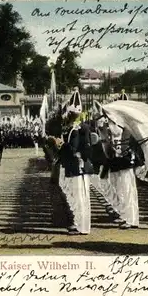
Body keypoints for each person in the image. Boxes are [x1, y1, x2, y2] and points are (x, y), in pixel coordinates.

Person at [58, 87, 94, 235]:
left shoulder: (80, 128)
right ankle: (80, 224)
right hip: (75, 166)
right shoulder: (73, 128)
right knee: (78, 197)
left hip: (79, 167)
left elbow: (80, 148)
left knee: (81, 198)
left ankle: (82, 226)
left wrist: (61, 145)